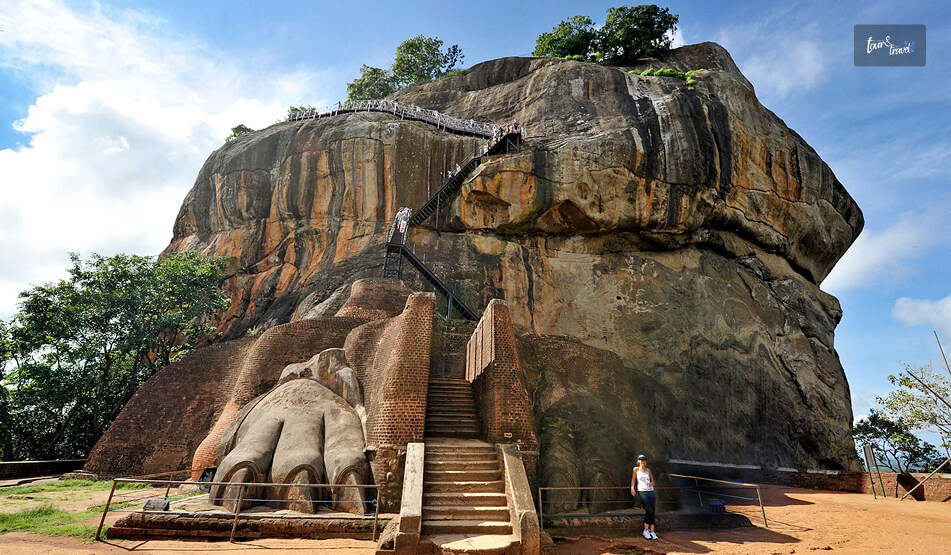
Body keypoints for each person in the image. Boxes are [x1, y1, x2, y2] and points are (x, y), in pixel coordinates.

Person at [632, 455, 658, 540]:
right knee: (649, 510)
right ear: (638, 461)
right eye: (641, 460)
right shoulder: (636, 469)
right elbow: (633, 479)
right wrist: (632, 488)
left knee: (652, 510)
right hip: (642, 491)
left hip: (651, 491)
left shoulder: (648, 470)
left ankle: (652, 531)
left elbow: (653, 480)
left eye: (644, 460)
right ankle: (645, 530)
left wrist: (651, 484)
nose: (643, 461)